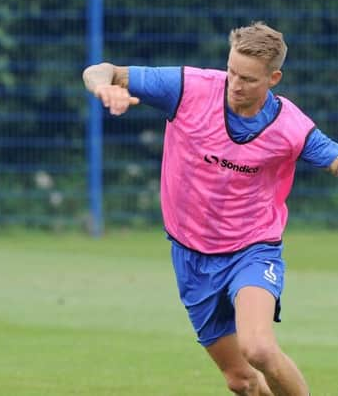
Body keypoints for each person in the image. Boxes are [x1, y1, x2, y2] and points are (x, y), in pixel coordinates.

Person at [83, 22, 337, 396]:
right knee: (242, 382)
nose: (235, 84)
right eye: (232, 71)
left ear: (274, 78)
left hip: (252, 249)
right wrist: (104, 86)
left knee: (259, 348)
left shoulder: (291, 127)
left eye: (249, 79)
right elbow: (99, 69)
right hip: (190, 255)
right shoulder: (188, 88)